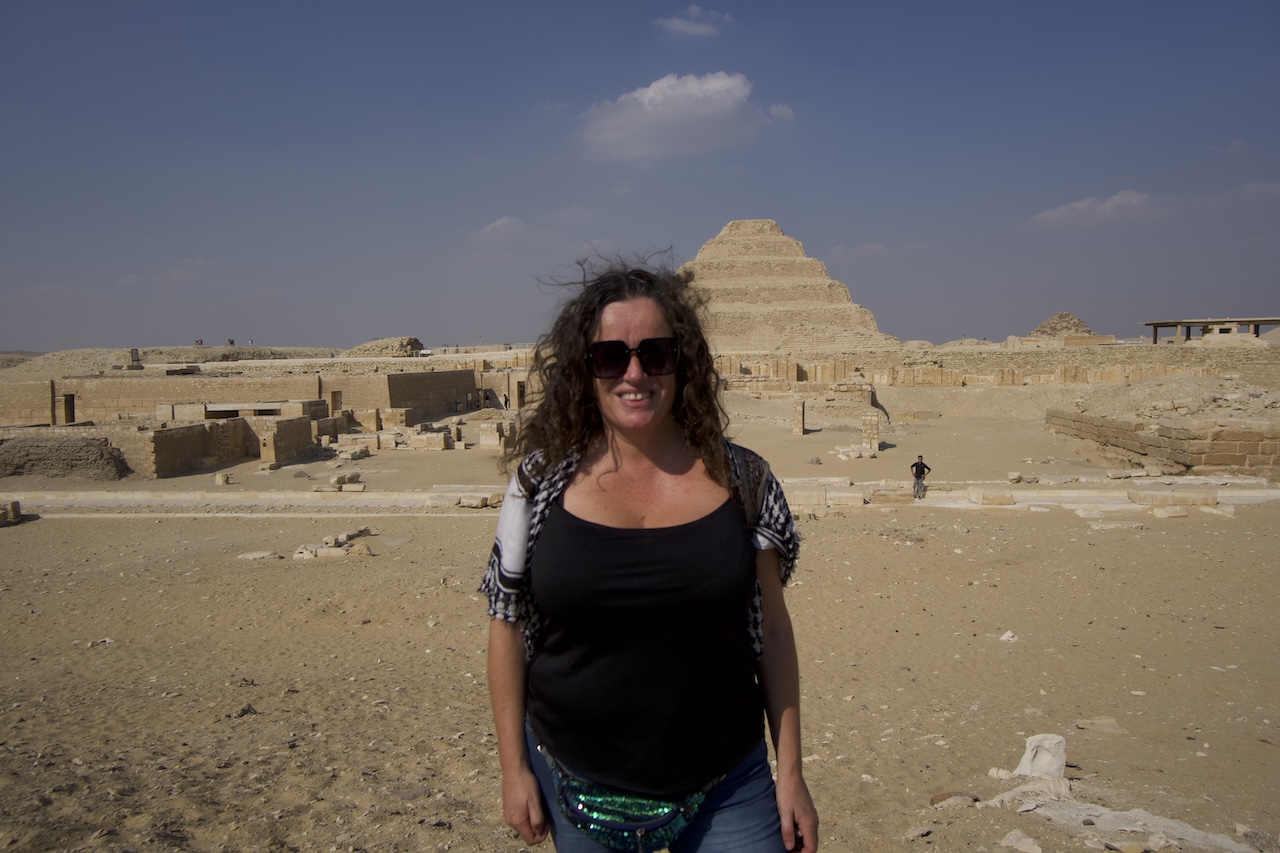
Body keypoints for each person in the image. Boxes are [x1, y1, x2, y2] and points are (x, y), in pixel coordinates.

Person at [482, 261, 818, 852]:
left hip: (728, 783)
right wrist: (514, 769)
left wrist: (790, 772)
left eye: (655, 354)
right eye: (610, 357)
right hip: (575, 776)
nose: (634, 373)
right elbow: (505, 626)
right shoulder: (538, 486)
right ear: (584, 369)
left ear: (682, 363)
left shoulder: (745, 480)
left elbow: (773, 630)